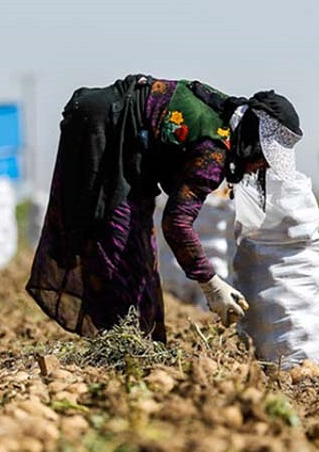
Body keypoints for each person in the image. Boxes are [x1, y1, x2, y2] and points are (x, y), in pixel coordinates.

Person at [26, 74, 303, 342]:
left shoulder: (228, 116)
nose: (261, 167)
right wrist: (210, 283)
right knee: (119, 243)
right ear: (253, 141)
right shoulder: (213, 151)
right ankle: (121, 343)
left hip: (122, 136)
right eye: (263, 158)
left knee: (135, 244)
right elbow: (176, 223)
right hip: (105, 131)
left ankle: (134, 340)